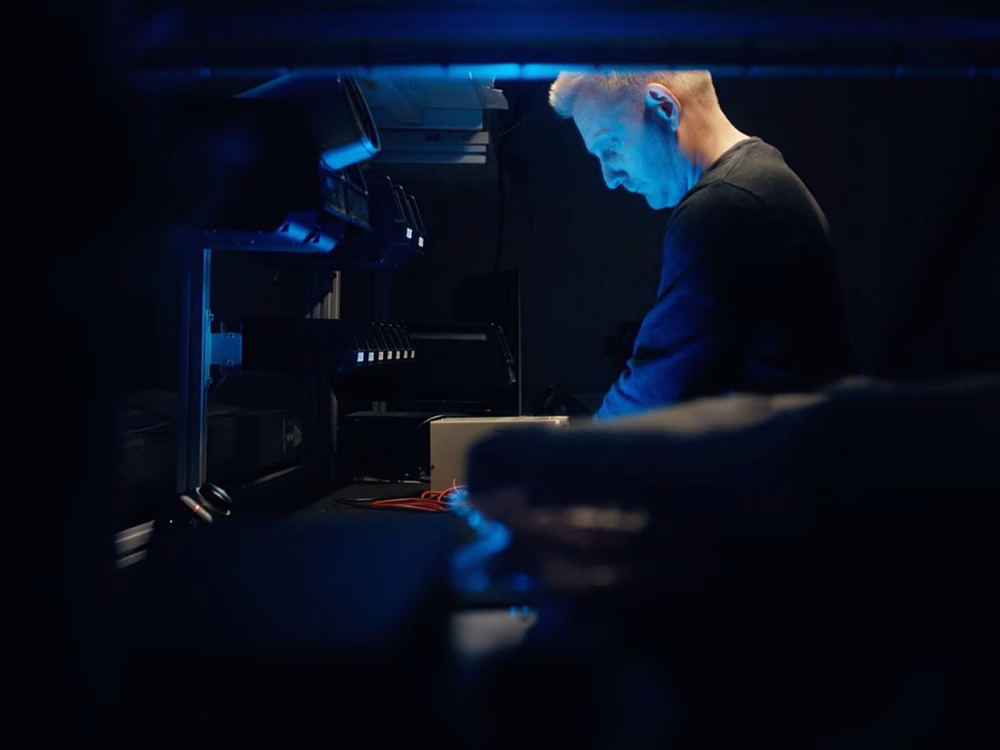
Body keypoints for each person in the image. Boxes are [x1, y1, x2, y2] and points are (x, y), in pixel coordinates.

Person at [548, 71, 853, 418]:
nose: (609, 177)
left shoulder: (727, 206)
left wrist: (566, 459)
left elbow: (656, 393)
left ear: (663, 108)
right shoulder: (758, 183)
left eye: (611, 146)